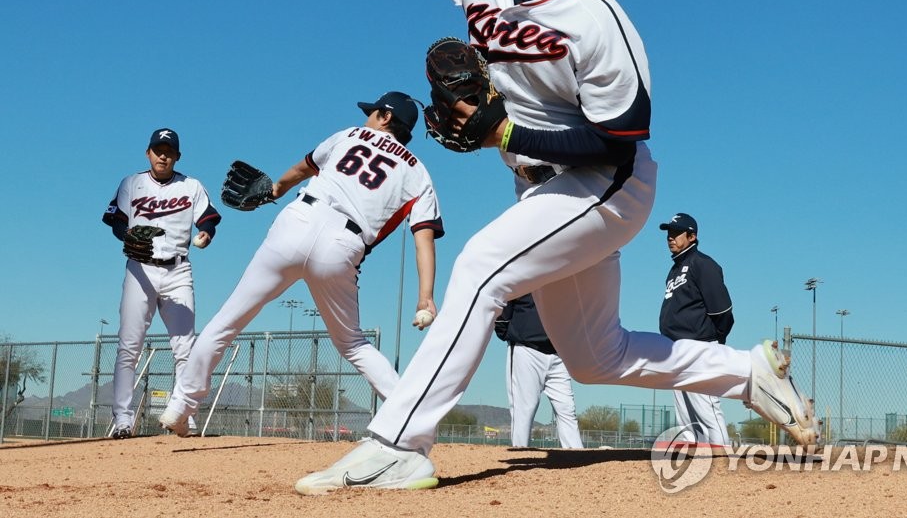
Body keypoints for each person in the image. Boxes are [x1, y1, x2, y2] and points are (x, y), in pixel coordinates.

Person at [295, 0, 818, 493]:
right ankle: (750, 373)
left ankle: (400, 441)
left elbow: (616, 143)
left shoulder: (595, 20)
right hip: (539, 188)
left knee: (481, 266)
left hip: (610, 185)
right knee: (597, 356)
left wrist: (506, 130)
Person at [157, 92, 444, 436]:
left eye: (373, 113)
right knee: (353, 343)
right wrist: (425, 296)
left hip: (299, 219)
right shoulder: (418, 171)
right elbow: (423, 239)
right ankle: (410, 416)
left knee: (228, 320)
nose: (368, 117)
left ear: (385, 117)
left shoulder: (349, 135)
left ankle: (180, 405)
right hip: (342, 246)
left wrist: (275, 190)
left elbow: (301, 169)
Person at [101, 128, 222, 439]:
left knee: (185, 348)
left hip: (178, 271)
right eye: (158, 149)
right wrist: (125, 235)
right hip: (140, 270)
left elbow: (207, 217)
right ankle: (123, 420)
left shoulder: (191, 186)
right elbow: (116, 219)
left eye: (169, 150)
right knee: (129, 346)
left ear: (177, 156)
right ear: (148, 153)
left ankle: (185, 417)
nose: (163, 155)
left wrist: (207, 234)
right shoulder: (132, 183)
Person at [657, 212, 733, 448]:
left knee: (706, 407)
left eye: (676, 233)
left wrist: (712, 342)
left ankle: (722, 456)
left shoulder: (703, 264)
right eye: (668, 233)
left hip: (699, 346)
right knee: (686, 415)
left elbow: (722, 312)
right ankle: (694, 456)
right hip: (676, 349)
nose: (670, 237)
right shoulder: (675, 269)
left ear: (691, 236)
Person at [494, 293, 583, 448]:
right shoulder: (523, 271)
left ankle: (577, 461)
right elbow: (506, 299)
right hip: (527, 349)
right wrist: (510, 333)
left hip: (559, 351)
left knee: (567, 410)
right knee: (524, 411)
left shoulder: (562, 273)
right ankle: (520, 464)